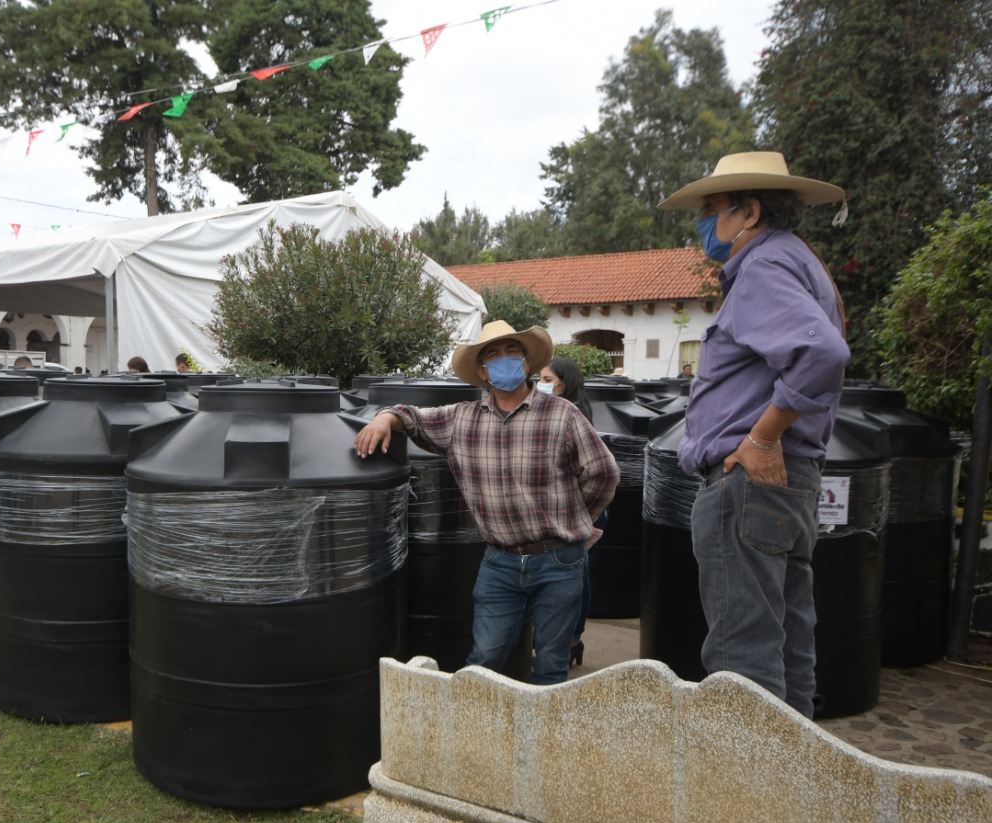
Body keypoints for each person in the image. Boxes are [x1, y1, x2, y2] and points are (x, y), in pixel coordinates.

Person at [658, 150, 850, 719]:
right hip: (785, 484)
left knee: (744, 656)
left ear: (750, 212)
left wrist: (762, 438)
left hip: (750, 480)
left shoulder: (764, 267)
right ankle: (790, 792)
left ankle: (751, 800)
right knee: (788, 645)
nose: (705, 224)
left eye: (713, 209)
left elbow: (821, 354)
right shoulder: (800, 263)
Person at [355, 321, 619, 685]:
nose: (504, 361)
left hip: (558, 558)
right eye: (492, 355)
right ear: (482, 372)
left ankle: (542, 741)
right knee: (483, 661)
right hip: (500, 562)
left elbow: (604, 473)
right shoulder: (461, 419)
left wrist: (575, 520)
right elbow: (413, 418)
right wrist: (385, 418)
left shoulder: (562, 415)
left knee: (551, 665)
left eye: (512, 352)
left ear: (526, 363)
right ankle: (477, 740)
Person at [536, 355, 601, 665]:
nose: (541, 385)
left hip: (577, 508)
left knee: (576, 574)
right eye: (540, 379)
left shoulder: (575, 416)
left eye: (547, 380)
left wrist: (582, 512)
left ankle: (571, 638)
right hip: (558, 508)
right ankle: (567, 640)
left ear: (565, 383)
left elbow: (599, 472)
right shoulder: (550, 411)